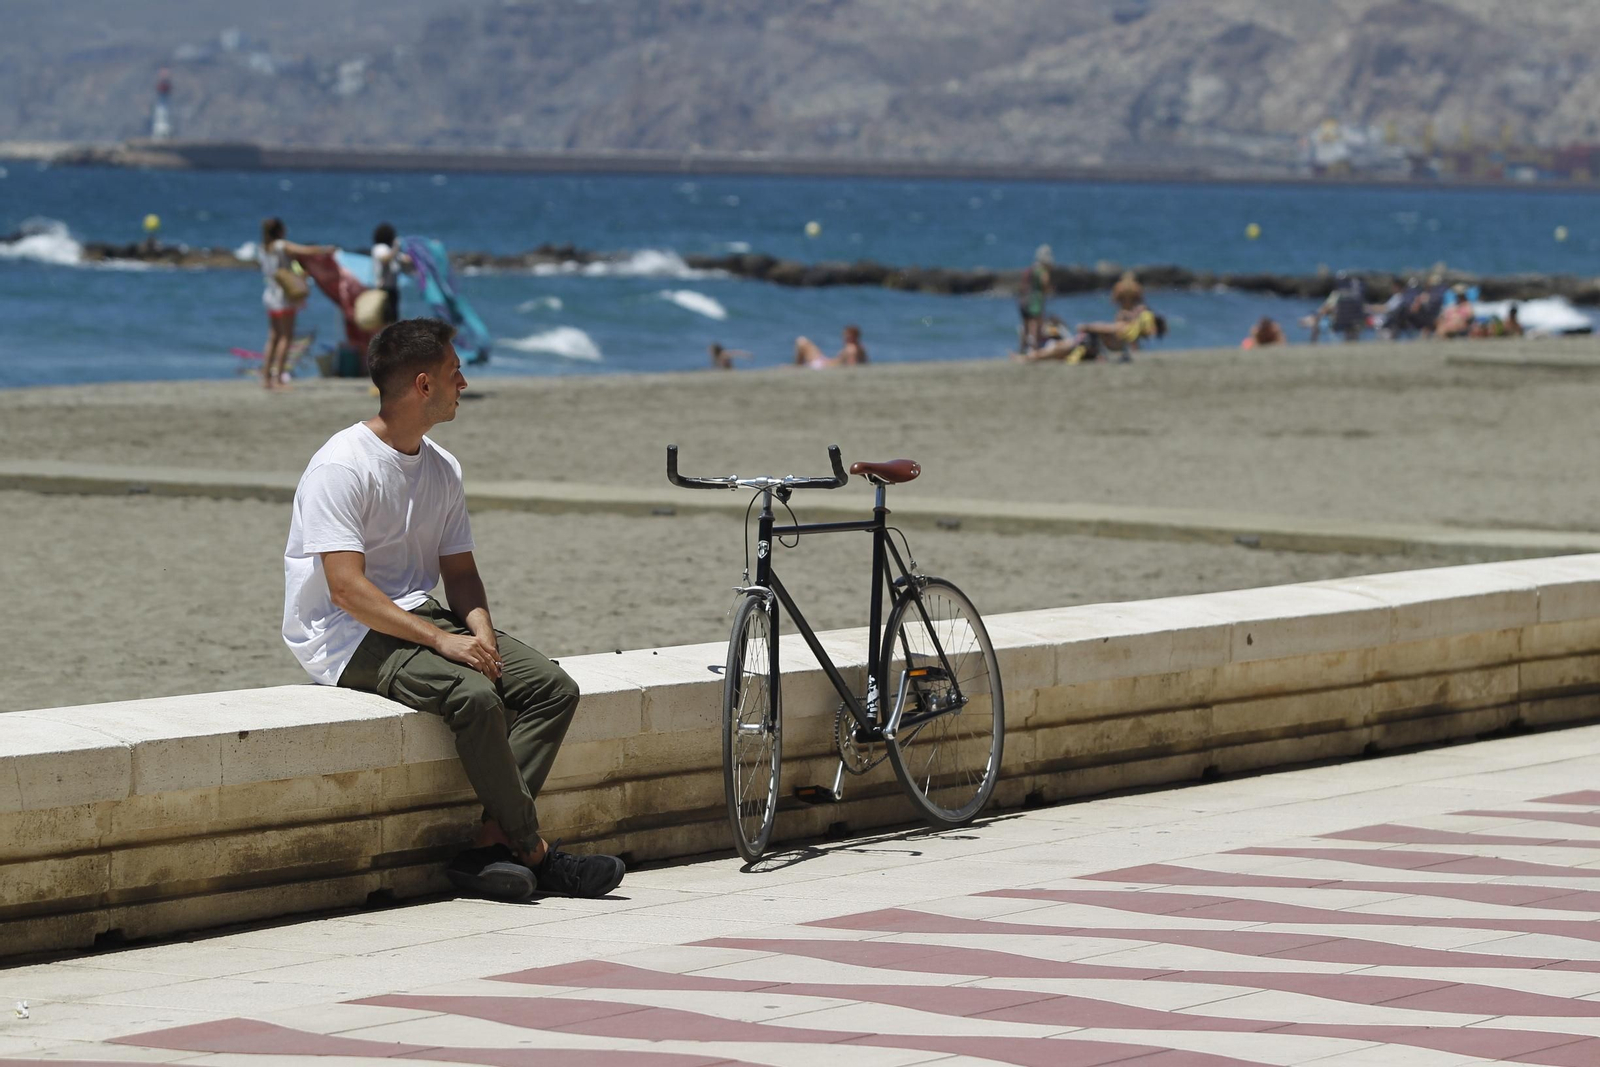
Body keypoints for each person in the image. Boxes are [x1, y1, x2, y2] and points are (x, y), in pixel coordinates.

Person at [282, 318, 626, 901]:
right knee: (474, 696)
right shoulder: (342, 465)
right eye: (454, 372)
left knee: (551, 687)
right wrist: (444, 643)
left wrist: (480, 636)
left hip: (416, 614)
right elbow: (344, 588)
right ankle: (536, 851)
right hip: (345, 637)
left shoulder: (442, 466)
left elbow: (461, 574)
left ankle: (490, 849)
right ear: (422, 384)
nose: (463, 382)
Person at [259, 217, 333, 390]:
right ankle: (278, 379)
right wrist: (325, 249)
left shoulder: (263, 248)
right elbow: (305, 250)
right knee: (286, 337)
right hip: (283, 296)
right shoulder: (280, 245)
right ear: (280, 230)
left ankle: (266, 378)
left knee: (273, 337)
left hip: (269, 293)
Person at [370, 223, 412, 326]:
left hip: (393, 289)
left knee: (393, 319)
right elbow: (385, 259)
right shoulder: (379, 248)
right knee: (387, 320)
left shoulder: (390, 250)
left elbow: (406, 261)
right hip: (383, 289)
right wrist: (396, 248)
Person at [1018, 245, 1053, 351]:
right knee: (1035, 323)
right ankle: (1033, 347)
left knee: (1026, 324)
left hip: (1024, 299)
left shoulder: (1031, 269)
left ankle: (1023, 348)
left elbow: (1023, 284)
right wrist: (1048, 291)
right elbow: (1044, 283)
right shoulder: (1042, 271)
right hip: (1036, 300)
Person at [793, 324, 868, 368]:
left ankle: (798, 367)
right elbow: (864, 363)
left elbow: (852, 367)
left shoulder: (851, 349)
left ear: (853, 337)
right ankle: (798, 366)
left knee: (801, 341)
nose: (844, 338)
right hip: (826, 362)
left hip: (823, 366)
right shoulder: (860, 347)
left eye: (846, 336)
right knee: (803, 342)